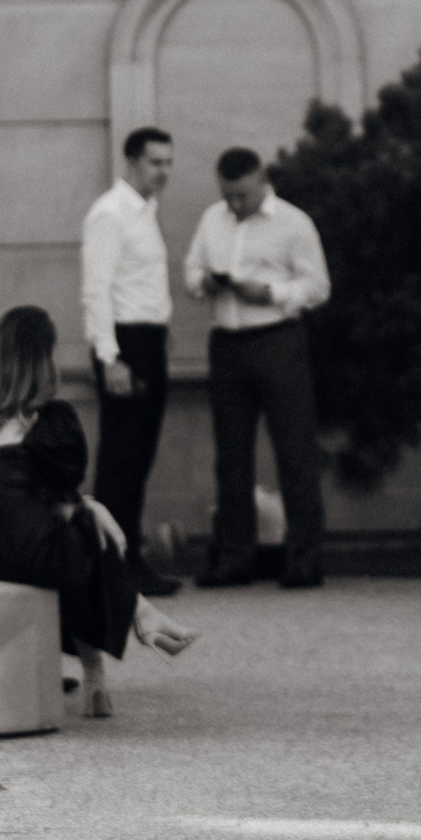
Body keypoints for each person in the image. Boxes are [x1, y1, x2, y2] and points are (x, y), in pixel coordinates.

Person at [0, 307, 198, 719]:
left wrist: (88, 509)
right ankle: (107, 658)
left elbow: (6, 497)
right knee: (83, 535)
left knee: (74, 527)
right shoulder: (48, 421)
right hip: (30, 558)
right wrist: (92, 510)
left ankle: (138, 619)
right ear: (39, 359)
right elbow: (62, 498)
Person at [182, 147, 332, 589]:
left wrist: (268, 292)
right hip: (226, 343)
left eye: (242, 195)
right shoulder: (212, 219)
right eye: (227, 195)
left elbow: (318, 286)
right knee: (231, 458)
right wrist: (204, 283)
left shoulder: (294, 222)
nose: (234, 205)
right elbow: (191, 270)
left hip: (277, 340)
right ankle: (235, 558)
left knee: (294, 452)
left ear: (261, 179)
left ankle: (304, 560)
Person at [83, 126, 182, 597]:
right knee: (121, 457)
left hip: (148, 342)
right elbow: (96, 290)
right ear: (131, 162)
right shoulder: (110, 214)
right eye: (154, 162)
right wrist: (110, 357)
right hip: (124, 345)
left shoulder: (145, 212)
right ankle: (112, 564)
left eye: (167, 162)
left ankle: (127, 559)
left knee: (139, 456)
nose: (163, 171)